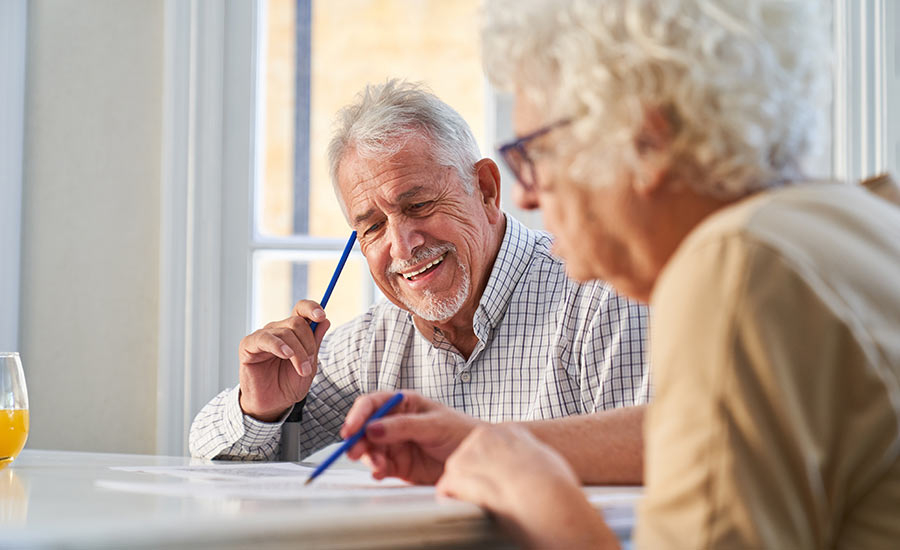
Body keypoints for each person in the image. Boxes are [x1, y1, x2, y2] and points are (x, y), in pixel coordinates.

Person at [344, 1, 900, 548]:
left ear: (646, 141)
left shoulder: (734, 266)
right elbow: (708, 439)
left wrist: (537, 499)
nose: (526, 194)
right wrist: (490, 441)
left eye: (534, 154)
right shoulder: (858, 220)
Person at [189, 80, 650, 481]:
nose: (403, 246)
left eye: (418, 205)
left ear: (486, 190)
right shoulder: (376, 341)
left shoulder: (602, 301)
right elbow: (207, 450)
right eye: (372, 227)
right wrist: (261, 408)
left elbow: (663, 463)